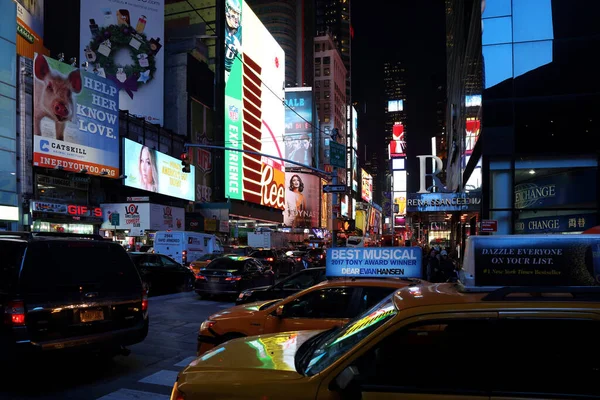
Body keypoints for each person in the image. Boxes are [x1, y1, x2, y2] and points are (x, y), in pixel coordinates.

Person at [224, 0, 242, 84]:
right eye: (233, 12)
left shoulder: (241, 31)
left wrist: (240, 48)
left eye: (238, 13)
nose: (236, 17)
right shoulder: (221, 26)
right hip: (215, 66)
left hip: (228, 71)